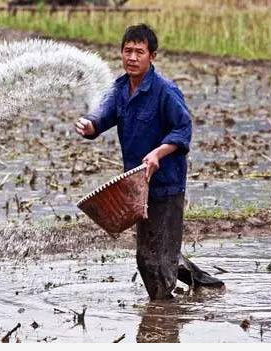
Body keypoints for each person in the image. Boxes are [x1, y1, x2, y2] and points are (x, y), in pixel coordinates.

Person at [74, 24, 224, 300]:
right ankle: (206, 286)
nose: (132, 57)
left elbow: (182, 130)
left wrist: (157, 153)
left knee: (150, 259)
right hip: (137, 187)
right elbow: (102, 116)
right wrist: (89, 125)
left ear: (152, 56)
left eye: (139, 52)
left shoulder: (165, 91)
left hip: (166, 185)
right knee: (157, 252)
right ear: (121, 53)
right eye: (127, 51)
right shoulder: (120, 89)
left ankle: (162, 316)